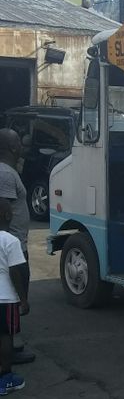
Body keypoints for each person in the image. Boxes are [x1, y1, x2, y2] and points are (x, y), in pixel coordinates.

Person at [0, 128, 35, 364]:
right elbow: (4, 212)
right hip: (13, 248)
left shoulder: (10, 171)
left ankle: (14, 343)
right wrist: (9, 247)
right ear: (13, 148)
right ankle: (10, 351)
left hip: (15, 245)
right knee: (14, 297)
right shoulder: (4, 174)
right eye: (19, 144)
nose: (23, 147)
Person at [0, 198, 29, 395]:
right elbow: (16, 272)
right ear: (7, 215)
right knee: (5, 337)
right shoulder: (10, 240)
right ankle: (5, 378)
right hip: (6, 298)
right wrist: (24, 299)